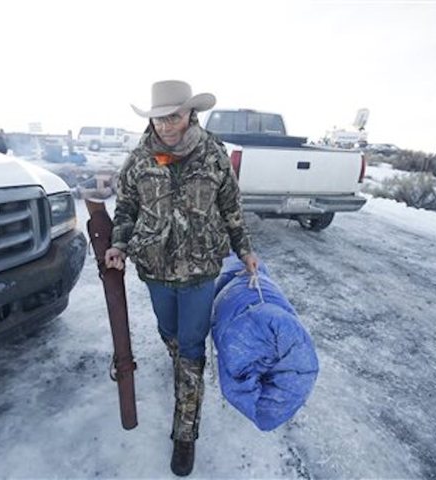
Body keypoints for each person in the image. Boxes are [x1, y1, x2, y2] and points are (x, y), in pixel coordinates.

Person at [104, 80, 258, 477]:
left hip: (200, 271)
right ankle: (183, 367)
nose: (165, 126)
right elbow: (126, 208)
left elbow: (232, 208)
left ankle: (185, 432)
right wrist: (119, 244)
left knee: (191, 345)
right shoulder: (139, 159)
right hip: (155, 270)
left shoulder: (213, 155)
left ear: (191, 114)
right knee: (169, 333)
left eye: (173, 117)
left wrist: (244, 249)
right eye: (159, 118)